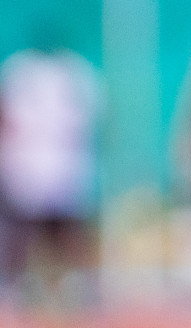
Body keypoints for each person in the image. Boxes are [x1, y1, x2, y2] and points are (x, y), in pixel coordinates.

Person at [0, 32, 100, 311]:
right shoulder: (78, 72)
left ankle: (17, 287)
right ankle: (80, 287)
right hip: (63, 163)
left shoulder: (17, 71)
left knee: (26, 231)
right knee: (66, 232)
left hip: (29, 162)